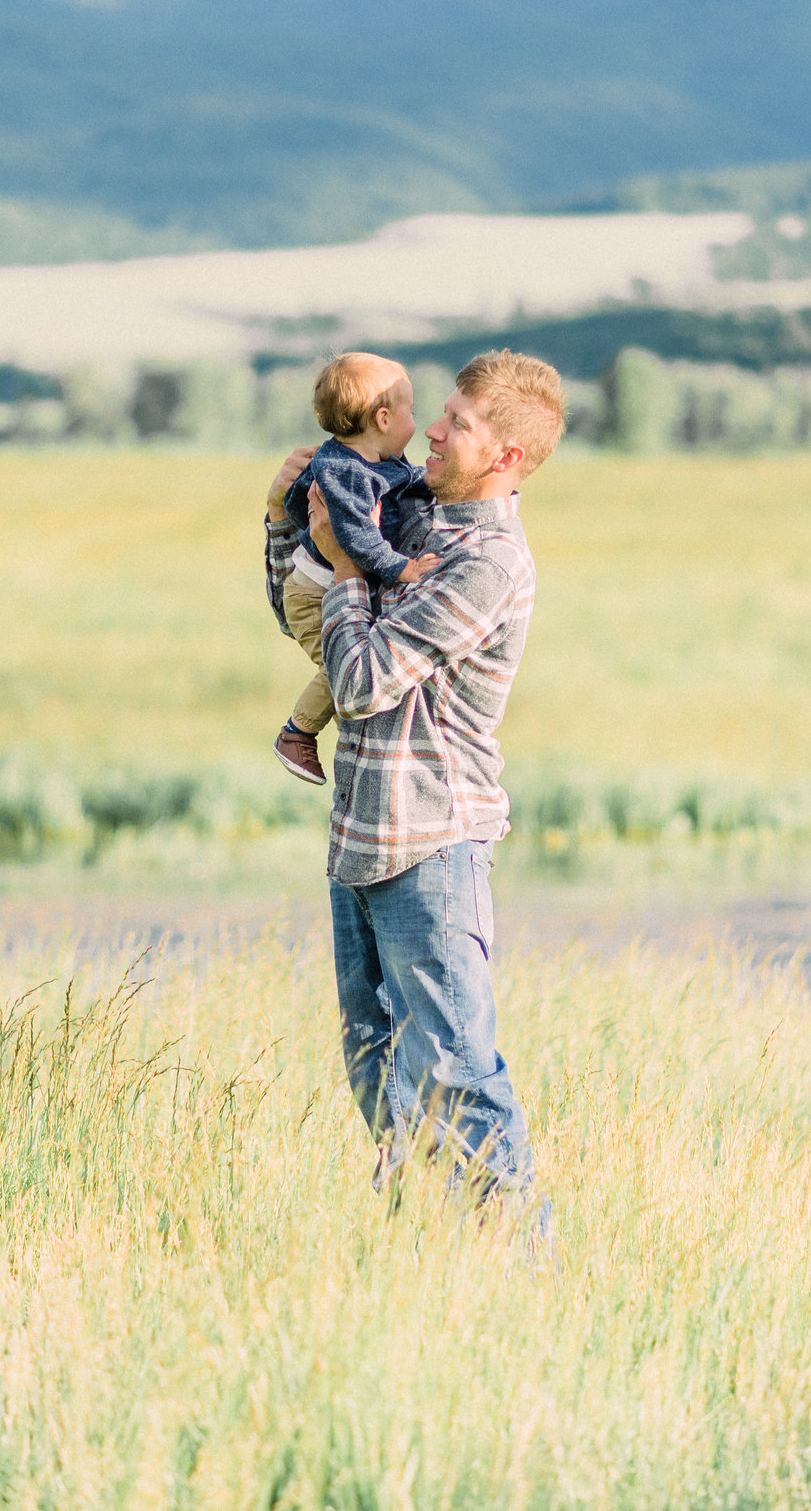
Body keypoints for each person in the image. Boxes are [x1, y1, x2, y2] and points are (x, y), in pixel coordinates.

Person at [262, 349, 567, 1200]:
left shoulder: (488, 565)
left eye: (458, 422)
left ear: (506, 455)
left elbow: (357, 681)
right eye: (441, 410)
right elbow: (307, 619)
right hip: (360, 837)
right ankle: (422, 1262)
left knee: (459, 1074)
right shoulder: (412, 507)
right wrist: (291, 524)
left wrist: (351, 566)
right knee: (380, 1074)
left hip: (432, 844)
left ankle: (519, 1273)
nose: (432, 427)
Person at [270, 352, 439, 787]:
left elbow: (403, 481)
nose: (419, 424)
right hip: (312, 596)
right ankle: (297, 733)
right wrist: (402, 569)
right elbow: (359, 540)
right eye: (412, 412)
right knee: (341, 669)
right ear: (383, 418)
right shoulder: (344, 474)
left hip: (321, 586)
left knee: (345, 662)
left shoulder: (375, 460)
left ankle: (299, 732)